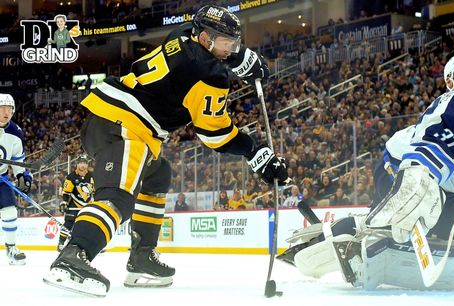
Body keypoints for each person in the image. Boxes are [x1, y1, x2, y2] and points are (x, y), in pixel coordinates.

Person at [43, 4, 290, 297]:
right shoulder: (210, 75)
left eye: (234, 42)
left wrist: (238, 57)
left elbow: (206, 49)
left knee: (158, 175)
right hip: (126, 127)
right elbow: (214, 135)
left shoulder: (182, 33)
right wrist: (255, 151)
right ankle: (74, 255)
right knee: (118, 200)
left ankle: (142, 257)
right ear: (205, 38)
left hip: (111, 118)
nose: (231, 47)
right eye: (227, 42)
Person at [283, 58, 454, 290]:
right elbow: (426, 151)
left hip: (452, 184)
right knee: (402, 212)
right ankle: (325, 241)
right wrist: (420, 183)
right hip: (404, 162)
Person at [0, 94, 32, 265]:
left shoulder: (16, 132)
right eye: (2, 108)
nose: (6, 112)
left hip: (1, 180)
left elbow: (17, 159)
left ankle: (11, 248)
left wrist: (23, 176)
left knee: (10, 211)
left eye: (9, 109)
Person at [57, 154, 95, 252]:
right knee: (68, 225)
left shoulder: (92, 176)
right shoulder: (71, 177)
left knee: (91, 225)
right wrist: (64, 202)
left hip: (88, 206)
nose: (83, 165)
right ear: (77, 164)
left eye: (85, 163)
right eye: (81, 163)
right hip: (74, 206)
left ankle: (91, 245)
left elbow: (95, 191)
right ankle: (61, 243)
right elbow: (66, 192)